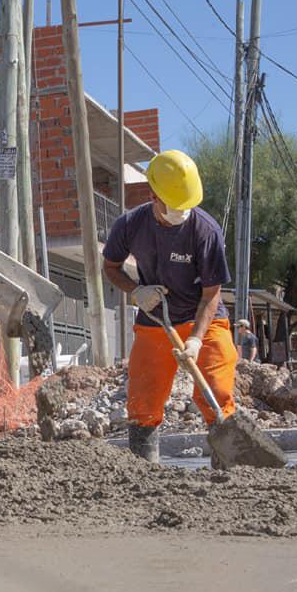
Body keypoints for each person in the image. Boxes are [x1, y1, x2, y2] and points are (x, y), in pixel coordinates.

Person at [102, 149, 238, 465]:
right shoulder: (130, 225)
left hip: (203, 317)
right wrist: (136, 291)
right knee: (143, 399)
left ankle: (226, 471)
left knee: (217, 391)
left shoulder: (205, 230)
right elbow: (110, 267)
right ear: (153, 195)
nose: (182, 212)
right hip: (155, 318)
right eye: (175, 206)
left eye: (187, 205)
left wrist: (196, 339)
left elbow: (212, 293)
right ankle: (145, 472)